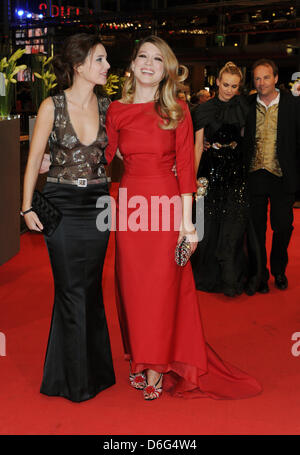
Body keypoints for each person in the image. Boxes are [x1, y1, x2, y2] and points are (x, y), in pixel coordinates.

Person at [105, 37, 262, 401]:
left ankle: (157, 368)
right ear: (132, 65)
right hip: (130, 208)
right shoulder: (116, 110)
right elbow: (104, 156)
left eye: (157, 59)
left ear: (166, 70)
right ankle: (141, 358)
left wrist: (188, 224)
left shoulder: (177, 109)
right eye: (142, 56)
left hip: (166, 205)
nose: (148, 63)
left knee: (162, 290)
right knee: (133, 288)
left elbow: (186, 172)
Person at [21, 33, 115, 402]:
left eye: (106, 60)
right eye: (100, 60)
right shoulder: (51, 106)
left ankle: (96, 371)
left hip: (98, 205)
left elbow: (125, 150)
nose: (107, 67)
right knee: (70, 289)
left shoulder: (109, 106)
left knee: (90, 289)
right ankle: (75, 380)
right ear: (79, 66)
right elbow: (34, 160)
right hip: (61, 203)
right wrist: (26, 205)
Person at [191, 62, 261, 297]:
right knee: (207, 225)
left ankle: (231, 278)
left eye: (234, 86)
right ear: (217, 82)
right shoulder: (204, 110)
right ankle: (207, 277)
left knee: (233, 224)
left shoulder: (243, 107)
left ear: (239, 86)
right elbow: (198, 146)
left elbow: (246, 140)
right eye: (226, 84)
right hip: (209, 169)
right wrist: (192, 179)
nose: (229, 90)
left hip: (235, 170)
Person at [244, 59, 300, 293]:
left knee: (283, 226)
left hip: (282, 176)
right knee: (254, 229)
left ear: (276, 78)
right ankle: (259, 274)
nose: (261, 82)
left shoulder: (294, 105)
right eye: (257, 78)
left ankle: (278, 269)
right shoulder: (245, 104)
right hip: (254, 175)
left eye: (266, 77)